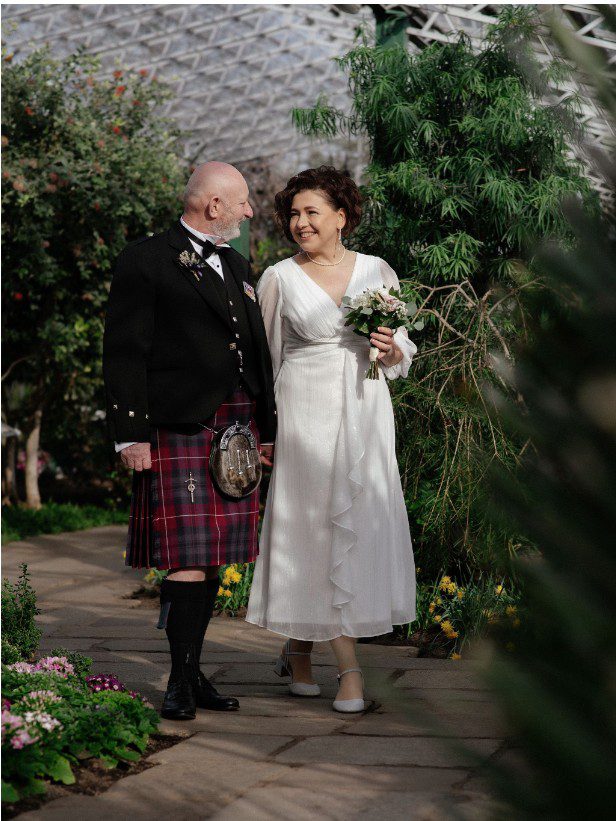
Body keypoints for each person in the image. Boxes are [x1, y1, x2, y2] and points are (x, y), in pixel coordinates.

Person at [103, 162, 276, 720]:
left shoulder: (238, 263)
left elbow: (256, 351)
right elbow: (124, 350)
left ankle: (193, 673)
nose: (251, 212)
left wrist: (267, 429)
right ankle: (179, 683)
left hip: (238, 425)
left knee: (216, 555)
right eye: (244, 202)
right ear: (215, 205)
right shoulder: (146, 259)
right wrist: (130, 433)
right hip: (178, 425)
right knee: (186, 556)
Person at [246, 166, 416, 712]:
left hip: (366, 411)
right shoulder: (278, 278)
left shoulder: (376, 270)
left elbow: (402, 350)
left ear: (342, 216)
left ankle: (298, 653)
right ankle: (350, 674)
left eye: (311, 212)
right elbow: (262, 362)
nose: (300, 223)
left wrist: (391, 350)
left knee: (353, 529)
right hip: (306, 416)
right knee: (316, 532)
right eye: (293, 214)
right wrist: (264, 432)